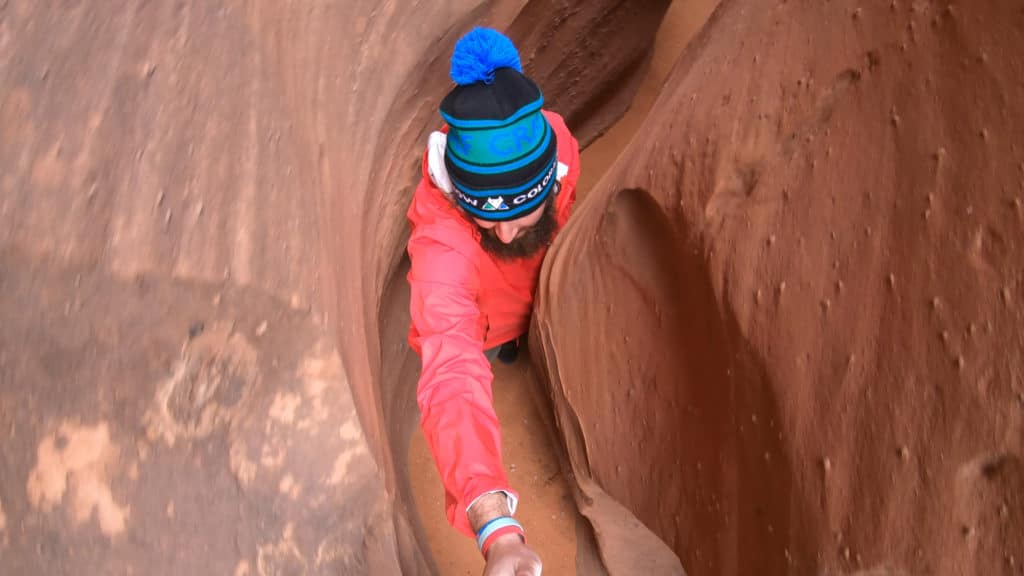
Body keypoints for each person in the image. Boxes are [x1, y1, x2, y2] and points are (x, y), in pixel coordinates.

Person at [406, 27, 580, 576]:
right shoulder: (442, 248)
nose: (503, 236)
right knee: (491, 351)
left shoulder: (561, 146)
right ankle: (507, 345)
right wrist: (497, 528)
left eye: (518, 215)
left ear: (551, 183)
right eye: (487, 216)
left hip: (535, 295)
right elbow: (451, 372)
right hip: (482, 323)